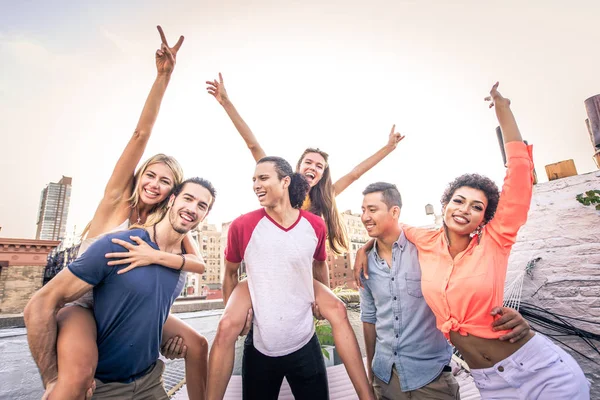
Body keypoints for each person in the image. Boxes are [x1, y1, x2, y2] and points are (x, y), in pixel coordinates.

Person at [355, 83, 590, 399]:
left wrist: (503, 109)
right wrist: (363, 247)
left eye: (477, 207)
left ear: (485, 218)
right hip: (490, 383)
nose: (465, 210)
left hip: (540, 373)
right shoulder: (424, 239)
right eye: (459, 200)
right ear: (445, 205)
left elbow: (519, 172)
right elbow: (389, 228)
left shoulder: (495, 241)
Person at [31, 26, 209, 400]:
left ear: (172, 193)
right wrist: (163, 77)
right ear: (140, 175)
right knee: (78, 377)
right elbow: (140, 135)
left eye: (165, 182)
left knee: (195, 343)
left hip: (130, 305)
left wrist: (155, 256)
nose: (155, 185)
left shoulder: (165, 223)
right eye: (151, 175)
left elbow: (195, 264)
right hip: (86, 301)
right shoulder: (116, 201)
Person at [206, 73, 403, 399]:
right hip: (267, 271)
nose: (314, 167)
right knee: (229, 324)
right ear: (293, 169)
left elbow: (355, 173)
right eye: (308, 162)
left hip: (300, 274)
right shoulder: (276, 191)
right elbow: (253, 144)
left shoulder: (323, 204)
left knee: (338, 310)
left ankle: (367, 394)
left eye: (320, 166)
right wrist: (226, 101)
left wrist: (388, 147)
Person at [24, 177, 217, 399]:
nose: (193, 208)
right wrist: (52, 378)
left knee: (199, 344)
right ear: (172, 199)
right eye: (188, 198)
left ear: (205, 215)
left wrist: (164, 340)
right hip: (101, 388)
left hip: (150, 383)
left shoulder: (183, 262)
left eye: (201, 205)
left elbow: (151, 308)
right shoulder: (120, 245)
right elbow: (40, 304)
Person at [358, 182, 530, 400]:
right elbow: (369, 319)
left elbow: (465, 289)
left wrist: (514, 316)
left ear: (394, 212)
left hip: (431, 379)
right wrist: (371, 376)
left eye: (372, 210)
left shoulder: (429, 250)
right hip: (385, 379)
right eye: (363, 210)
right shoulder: (364, 265)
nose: (364, 217)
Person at [222, 156, 331, 399]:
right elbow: (230, 273)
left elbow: (320, 264)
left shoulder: (315, 226)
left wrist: (321, 298)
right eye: (253, 180)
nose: (256, 185)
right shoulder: (242, 226)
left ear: (285, 182)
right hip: (259, 347)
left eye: (263, 178)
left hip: (306, 343)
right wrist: (237, 316)